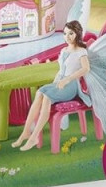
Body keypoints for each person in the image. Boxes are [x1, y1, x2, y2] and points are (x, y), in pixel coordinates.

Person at [12, 21, 90, 150]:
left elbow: (86, 69)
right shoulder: (64, 50)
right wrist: (55, 83)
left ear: (77, 34)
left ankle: (34, 137)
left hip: (72, 86)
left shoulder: (81, 51)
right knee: (40, 93)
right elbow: (61, 70)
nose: (67, 37)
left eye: (71, 33)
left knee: (47, 97)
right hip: (60, 81)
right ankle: (26, 132)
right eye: (65, 33)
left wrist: (68, 79)